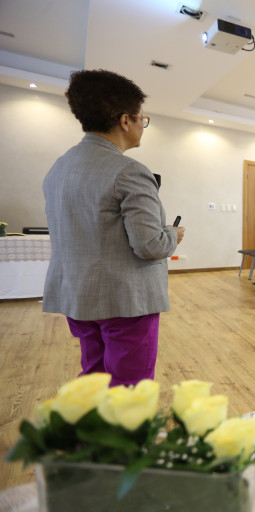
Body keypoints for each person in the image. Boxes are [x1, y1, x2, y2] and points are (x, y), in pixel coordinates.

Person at [42, 69, 184, 387]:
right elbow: (150, 245)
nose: (142, 126)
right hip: (124, 299)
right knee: (129, 387)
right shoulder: (129, 171)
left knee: (94, 378)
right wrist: (173, 235)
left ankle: (92, 421)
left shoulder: (60, 167)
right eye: (142, 119)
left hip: (78, 294)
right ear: (125, 120)